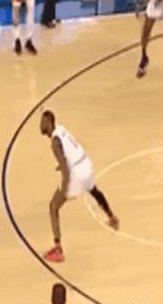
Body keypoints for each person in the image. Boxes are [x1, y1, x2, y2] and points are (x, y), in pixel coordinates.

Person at [40, 110, 119, 263]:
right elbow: (70, 150)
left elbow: (65, 165)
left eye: (43, 123)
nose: (40, 126)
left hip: (75, 173)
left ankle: (58, 249)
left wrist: (65, 186)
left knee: (53, 207)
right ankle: (112, 217)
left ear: (49, 124)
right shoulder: (61, 129)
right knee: (93, 190)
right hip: (85, 163)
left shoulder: (55, 143)